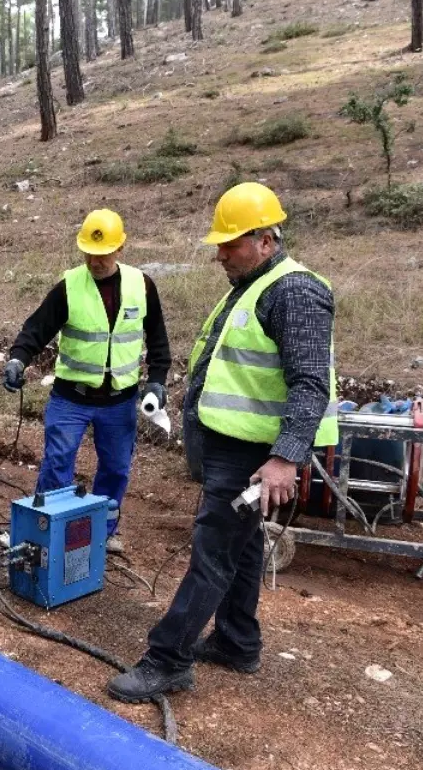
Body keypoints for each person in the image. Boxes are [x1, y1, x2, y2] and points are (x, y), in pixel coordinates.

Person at [107, 183, 337, 703]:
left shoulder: (294, 292)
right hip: (236, 446)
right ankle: (237, 641)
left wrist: (284, 457)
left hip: (257, 453)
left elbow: (310, 384)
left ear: (264, 238)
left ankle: (168, 660)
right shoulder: (255, 285)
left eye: (230, 244)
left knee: (213, 550)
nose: (220, 254)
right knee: (244, 544)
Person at [1, 209, 171, 554]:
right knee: (57, 463)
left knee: (115, 469)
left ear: (120, 247)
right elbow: (36, 329)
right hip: (71, 398)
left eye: (103, 253)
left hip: (119, 401)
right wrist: (18, 359)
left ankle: (102, 533)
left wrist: (157, 380)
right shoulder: (69, 286)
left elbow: (158, 340)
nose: (95, 261)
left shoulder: (143, 285)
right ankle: (44, 532)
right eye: (89, 253)